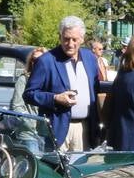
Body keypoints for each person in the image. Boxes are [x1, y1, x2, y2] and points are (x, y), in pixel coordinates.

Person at [25, 16, 101, 152]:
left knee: (82, 171)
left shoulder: (90, 58)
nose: (70, 44)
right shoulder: (46, 61)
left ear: (82, 39)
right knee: (56, 171)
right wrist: (55, 98)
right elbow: (29, 94)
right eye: (66, 39)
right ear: (60, 37)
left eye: (74, 39)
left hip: (85, 129)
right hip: (57, 129)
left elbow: (95, 90)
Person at [10, 46, 47, 114]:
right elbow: (16, 107)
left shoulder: (51, 80)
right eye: (34, 59)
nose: (36, 62)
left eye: (40, 60)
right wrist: (31, 122)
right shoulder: (24, 79)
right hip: (29, 121)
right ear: (30, 62)